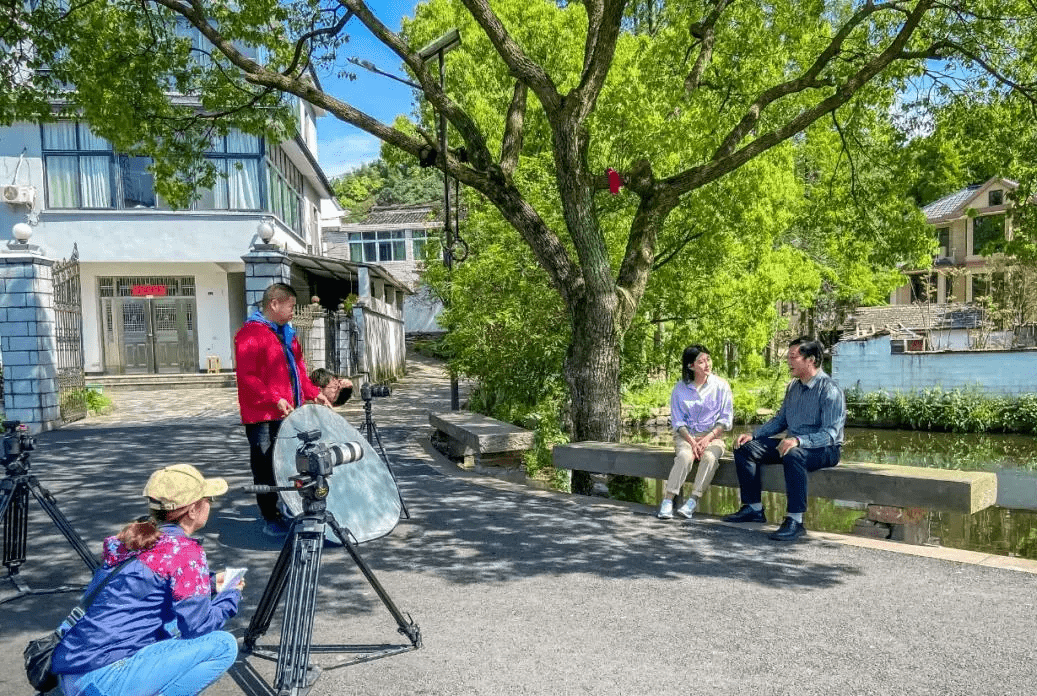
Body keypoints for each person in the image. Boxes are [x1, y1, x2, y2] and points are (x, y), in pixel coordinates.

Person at [52, 464, 242, 696]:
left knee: (171, 622)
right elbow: (198, 626)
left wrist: (209, 584)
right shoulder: (184, 551)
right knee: (223, 645)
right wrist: (231, 593)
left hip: (72, 669)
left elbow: (146, 583)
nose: (210, 505)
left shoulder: (134, 540)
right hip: (103, 679)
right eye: (208, 499)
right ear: (193, 510)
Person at [725, 336, 846, 541]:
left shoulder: (830, 390)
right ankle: (754, 508)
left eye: (793, 356)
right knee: (745, 448)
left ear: (811, 360)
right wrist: (754, 435)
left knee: (794, 454)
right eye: (788, 356)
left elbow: (830, 434)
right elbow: (781, 420)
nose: (788, 361)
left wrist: (798, 441)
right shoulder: (793, 387)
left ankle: (795, 521)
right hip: (792, 445)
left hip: (825, 449)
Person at [235, 283, 330, 537]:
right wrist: (273, 398)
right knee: (265, 464)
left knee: (290, 462)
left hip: (288, 412)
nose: (292, 311)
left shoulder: (287, 333)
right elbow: (248, 377)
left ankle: (289, 507)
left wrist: (313, 393)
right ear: (274, 304)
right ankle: (270, 515)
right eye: (290, 306)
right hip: (261, 415)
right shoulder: (250, 334)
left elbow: (298, 369)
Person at [658, 344, 734, 520]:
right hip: (686, 436)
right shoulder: (680, 389)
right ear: (691, 366)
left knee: (709, 458)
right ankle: (668, 501)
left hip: (713, 436)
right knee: (685, 456)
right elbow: (678, 421)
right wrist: (692, 442)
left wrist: (707, 439)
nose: (707, 364)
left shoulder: (721, 386)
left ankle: (692, 501)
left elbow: (725, 420)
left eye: (708, 359)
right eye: (701, 361)